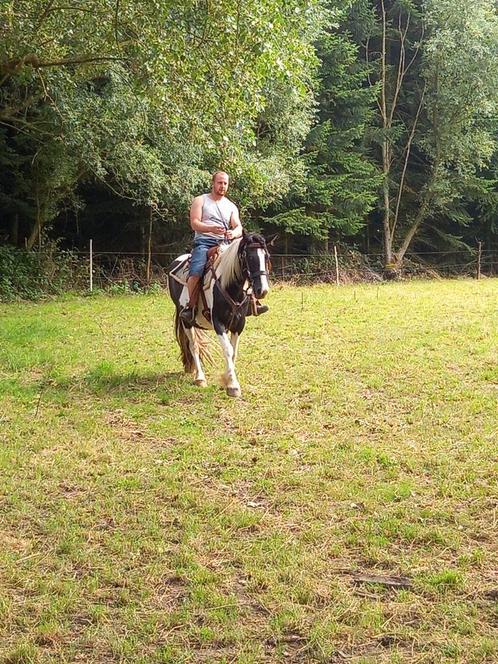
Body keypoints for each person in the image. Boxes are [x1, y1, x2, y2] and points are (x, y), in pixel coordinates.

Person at [180, 171, 268, 324]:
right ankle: (190, 307)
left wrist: (233, 233)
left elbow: (238, 227)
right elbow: (194, 223)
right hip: (204, 243)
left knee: (243, 266)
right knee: (196, 272)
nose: (222, 186)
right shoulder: (200, 200)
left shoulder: (230, 205)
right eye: (220, 183)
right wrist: (211, 229)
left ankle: (252, 303)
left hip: (225, 244)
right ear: (213, 183)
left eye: (225, 183)